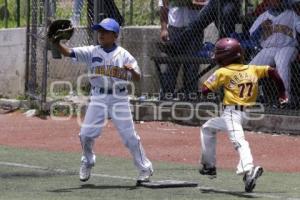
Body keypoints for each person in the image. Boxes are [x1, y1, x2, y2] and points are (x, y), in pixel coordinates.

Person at [50, 18, 153, 184]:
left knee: (129, 137)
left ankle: (145, 168)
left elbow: (138, 77)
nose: (101, 34)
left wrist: (132, 71)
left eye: (105, 31)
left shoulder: (124, 54)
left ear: (115, 35)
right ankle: (88, 161)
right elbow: (69, 52)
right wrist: (56, 43)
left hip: (119, 98)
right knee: (85, 135)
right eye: (100, 31)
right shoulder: (92, 51)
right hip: (98, 97)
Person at [198, 38, 288, 192]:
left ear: (225, 56)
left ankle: (249, 169)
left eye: (219, 55)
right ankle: (209, 166)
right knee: (208, 128)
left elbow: (205, 90)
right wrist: (282, 94)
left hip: (232, 114)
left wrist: (208, 90)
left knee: (239, 141)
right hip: (245, 114)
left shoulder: (223, 72)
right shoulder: (252, 69)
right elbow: (273, 72)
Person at [249, 0, 300, 105]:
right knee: (250, 68)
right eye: (273, 0)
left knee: (282, 63)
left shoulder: (292, 14)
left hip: (288, 47)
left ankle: (286, 99)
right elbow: (252, 36)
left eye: (278, 1)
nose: (275, 2)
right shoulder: (263, 16)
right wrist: (260, 28)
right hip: (268, 48)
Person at [159, 0, 204, 100]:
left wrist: (190, 3)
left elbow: (204, 6)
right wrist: (164, 29)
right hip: (175, 30)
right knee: (172, 65)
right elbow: (163, 7)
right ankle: (166, 95)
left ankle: (190, 96)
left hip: (194, 30)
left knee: (192, 66)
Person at [163, 0, 241, 55]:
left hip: (231, 2)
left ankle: (230, 43)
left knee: (228, 19)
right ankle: (175, 46)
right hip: (216, 2)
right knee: (197, 23)